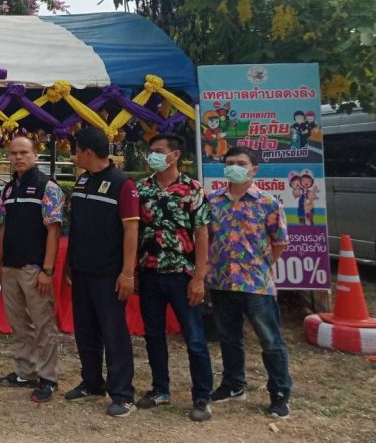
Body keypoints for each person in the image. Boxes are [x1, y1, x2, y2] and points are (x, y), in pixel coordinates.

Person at [206, 146, 292, 419]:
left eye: (241, 163)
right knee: (229, 338)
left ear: (254, 169)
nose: (234, 167)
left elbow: (279, 242)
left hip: (256, 284)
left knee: (270, 340)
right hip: (221, 282)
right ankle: (233, 385)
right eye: (230, 162)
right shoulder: (212, 201)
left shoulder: (268, 203)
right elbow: (206, 238)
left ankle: (280, 393)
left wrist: (260, 267)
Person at [135, 133, 213, 422]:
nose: (152, 156)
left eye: (158, 151)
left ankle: (202, 397)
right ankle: (160, 389)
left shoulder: (192, 189)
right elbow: (134, 231)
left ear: (175, 154)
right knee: (153, 335)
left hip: (182, 274)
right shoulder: (142, 189)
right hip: (149, 272)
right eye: (151, 151)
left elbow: (202, 234)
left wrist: (199, 277)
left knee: (194, 338)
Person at [63, 126, 140, 417]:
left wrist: (128, 273)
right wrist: (70, 263)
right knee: (85, 330)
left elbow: (131, 230)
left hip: (109, 274)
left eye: (76, 151)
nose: (75, 156)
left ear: (88, 152)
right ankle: (92, 381)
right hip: (82, 270)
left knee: (113, 333)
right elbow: (79, 227)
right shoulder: (83, 181)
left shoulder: (123, 184)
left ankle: (123, 393)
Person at [0, 135, 64, 402]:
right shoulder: (9, 189)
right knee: (18, 323)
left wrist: (47, 270)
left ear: (35, 155)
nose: (18, 157)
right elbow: (2, 227)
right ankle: (26, 371)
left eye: (24, 152)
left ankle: (48, 378)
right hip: (10, 267)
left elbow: (54, 231)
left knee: (43, 324)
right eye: (13, 153)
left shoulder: (48, 187)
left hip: (34, 269)